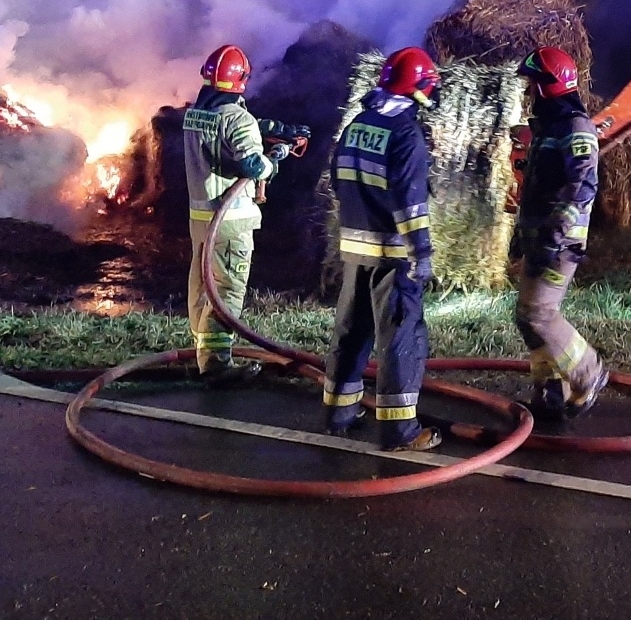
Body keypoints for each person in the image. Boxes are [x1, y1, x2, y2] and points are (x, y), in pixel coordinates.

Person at [321, 47, 443, 452]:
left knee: (352, 331)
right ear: (419, 89)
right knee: (399, 337)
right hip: (393, 254)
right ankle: (398, 430)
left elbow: (337, 181)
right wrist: (421, 253)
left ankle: (339, 412)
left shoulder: (358, 124)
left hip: (355, 248)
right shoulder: (406, 134)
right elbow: (411, 203)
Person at [183, 44, 309, 384]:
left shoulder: (196, 112)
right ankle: (217, 365)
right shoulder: (236, 119)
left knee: (202, 285)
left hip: (201, 218)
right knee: (226, 290)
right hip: (231, 220)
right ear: (241, 80)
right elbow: (254, 165)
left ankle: (203, 352)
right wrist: (278, 154)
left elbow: (234, 125)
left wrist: (279, 126)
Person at [512, 46, 609, 422]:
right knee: (526, 315)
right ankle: (551, 389)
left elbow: (582, 183)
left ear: (546, 87)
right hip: (542, 237)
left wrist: (555, 232)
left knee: (538, 312)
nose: (527, 92)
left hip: (561, 242)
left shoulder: (575, 127)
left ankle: (589, 372)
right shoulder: (549, 129)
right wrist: (526, 232)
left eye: (532, 85)